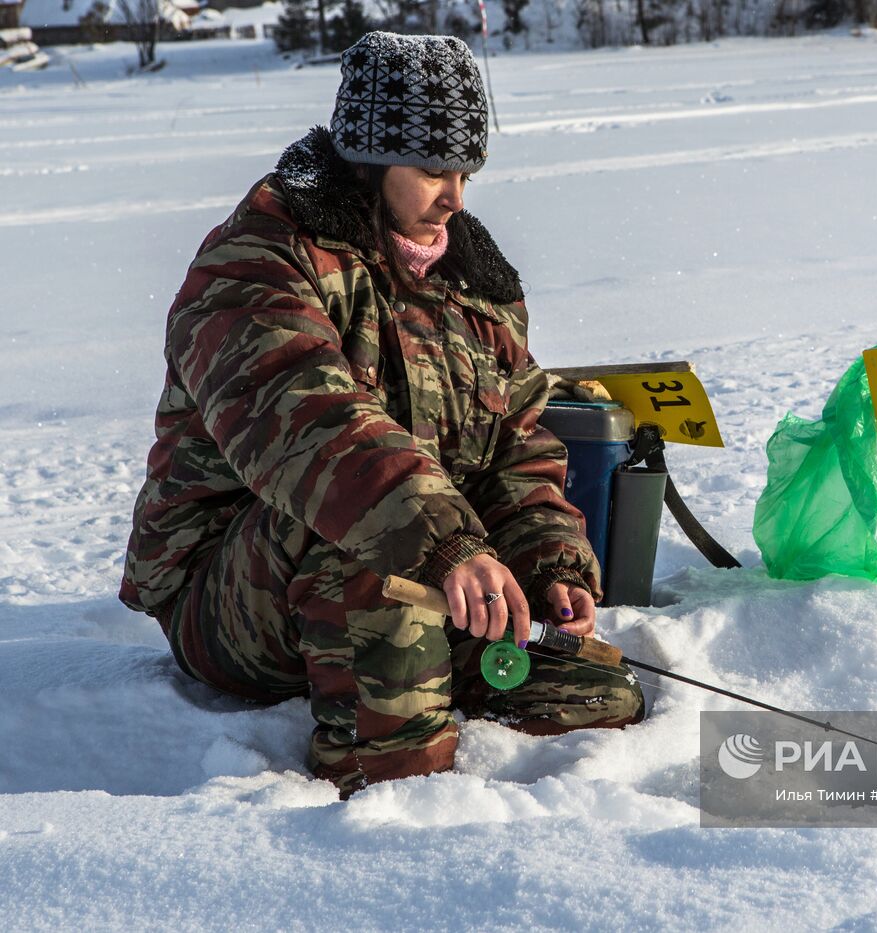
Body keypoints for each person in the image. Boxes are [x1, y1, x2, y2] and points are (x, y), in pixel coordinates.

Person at [119, 32, 645, 798]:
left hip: (432, 561)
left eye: (467, 170)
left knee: (589, 693)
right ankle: (388, 804)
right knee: (369, 541)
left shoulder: (475, 278)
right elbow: (312, 429)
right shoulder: (258, 259)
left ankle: (453, 714)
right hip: (234, 591)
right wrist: (448, 548)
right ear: (369, 160)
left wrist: (548, 565)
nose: (456, 196)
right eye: (434, 169)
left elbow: (518, 444)